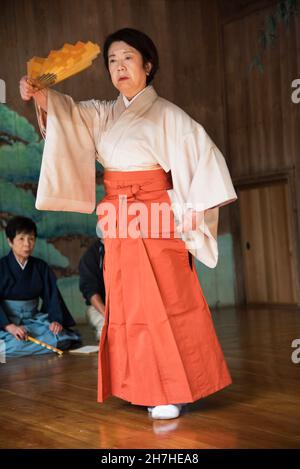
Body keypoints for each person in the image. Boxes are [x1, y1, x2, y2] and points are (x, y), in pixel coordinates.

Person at [19, 28, 238, 419]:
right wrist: (42, 95)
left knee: (167, 302)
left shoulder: (169, 115)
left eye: (128, 58)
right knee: (128, 307)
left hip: (156, 220)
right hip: (120, 220)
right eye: (112, 61)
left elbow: (204, 161)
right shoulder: (105, 112)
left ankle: (171, 389)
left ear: (148, 65)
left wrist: (186, 210)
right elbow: (69, 115)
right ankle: (140, 385)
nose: (119, 67)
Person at [0, 216, 81, 357]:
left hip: (33, 321)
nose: (27, 244)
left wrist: (55, 321)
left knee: (63, 337)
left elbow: (52, 296)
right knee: (10, 342)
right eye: (21, 239)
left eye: (31, 239)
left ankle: (19, 349)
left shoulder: (41, 267)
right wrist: (10, 327)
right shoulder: (1, 267)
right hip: (6, 323)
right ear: (10, 242)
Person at [79, 238, 106, 341]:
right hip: (100, 308)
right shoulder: (90, 256)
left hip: (126, 308)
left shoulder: (128, 248)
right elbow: (90, 291)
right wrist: (108, 316)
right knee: (107, 332)